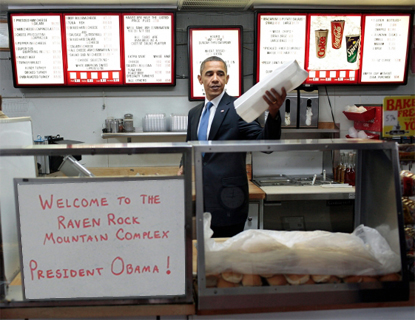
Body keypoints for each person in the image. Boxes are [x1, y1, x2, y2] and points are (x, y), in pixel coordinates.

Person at [178, 56, 286, 238]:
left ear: (227, 79)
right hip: (202, 196)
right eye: (209, 74)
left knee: (228, 254)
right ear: (200, 79)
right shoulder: (194, 113)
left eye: (220, 74)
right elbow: (190, 144)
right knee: (206, 254)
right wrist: (183, 163)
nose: (215, 79)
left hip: (229, 198)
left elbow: (266, 144)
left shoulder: (238, 109)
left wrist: (273, 114)